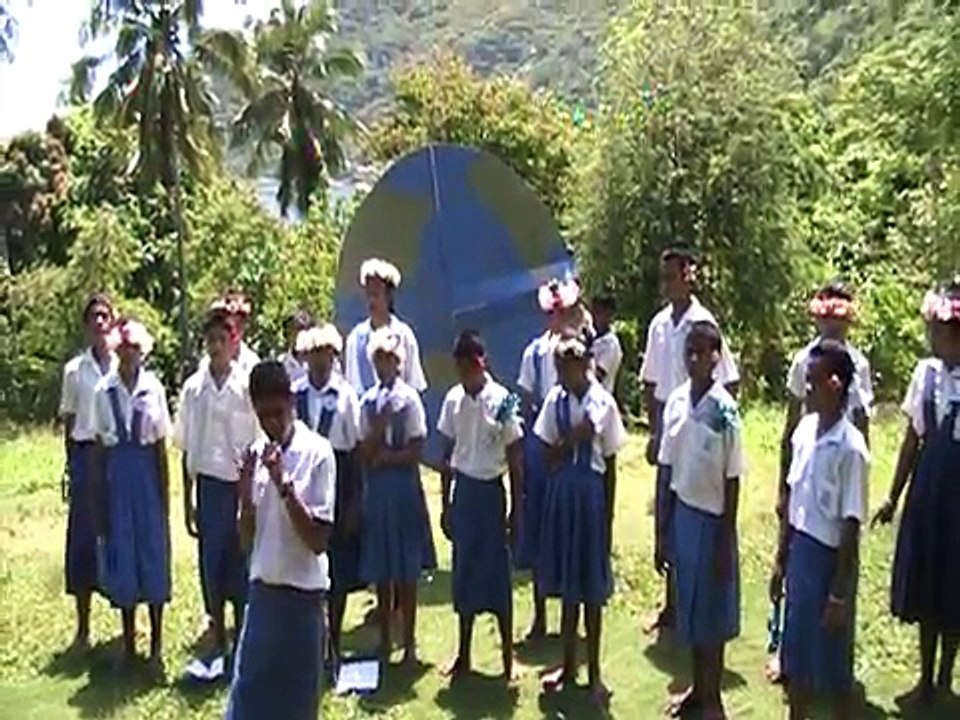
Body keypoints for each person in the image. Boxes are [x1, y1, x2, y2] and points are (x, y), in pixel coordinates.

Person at [769, 280, 872, 683]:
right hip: (805, 466)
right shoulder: (803, 361)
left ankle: (833, 662)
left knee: (839, 570)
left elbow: (861, 422)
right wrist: (783, 485)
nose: (831, 326)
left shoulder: (856, 365)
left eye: (838, 319)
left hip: (838, 472)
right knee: (791, 573)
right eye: (824, 318)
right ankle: (784, 651)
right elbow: (791, 423)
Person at [226, 361, 336, 720]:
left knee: (297, 705)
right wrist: (245, 497)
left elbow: (318, 539)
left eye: (278, 412)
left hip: (303, 599)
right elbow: (246, 542)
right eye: (264, 415)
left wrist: (284, 484)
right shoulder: (255, 455)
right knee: (248, 700)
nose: (272, 423)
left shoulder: (318, 453)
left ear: (291, 402)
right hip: (262, 595)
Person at [640, 246, 739, 633]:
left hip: (699, 426)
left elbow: (729, 380)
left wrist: (713, 427)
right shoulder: (659, 324)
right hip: (671, 423)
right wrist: (654, 429)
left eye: (672, 276)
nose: (667, 285)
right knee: (669, 512)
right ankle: (671, 603)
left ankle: (694, 604)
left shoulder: (703, 323)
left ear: (688, 276)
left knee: (697, 509)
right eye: (662, 278)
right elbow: (649, 382)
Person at [872, 281, 960, 707]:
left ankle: (945, 673)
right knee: (928, 580)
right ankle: (925, 676)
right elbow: (911, 439)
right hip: (930, 487)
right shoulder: (925, 375)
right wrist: (893, 495)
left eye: (937, 331)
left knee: (954, 582)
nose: (931, 337)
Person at [535, 332, 627, 708]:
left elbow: (609, 457)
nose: (561, 375)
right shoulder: (555, 400)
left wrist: (606, 512)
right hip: (563, 493)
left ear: (582, 366)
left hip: (588, 493)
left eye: (566, 368)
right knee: (568, 585)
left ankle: (595, 675)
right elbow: (545, 448)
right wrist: (568, 442)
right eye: (557, 368)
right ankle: (569, 665)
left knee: (589, 586)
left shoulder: (601, 401)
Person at [658, 321, 744, 720]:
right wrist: (662, 529)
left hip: (713, 522)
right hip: (683, 515)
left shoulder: (725, 410)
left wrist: (725, 540)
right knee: (690, 610)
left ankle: (713, 698)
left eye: (703, 352)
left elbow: (732, 478)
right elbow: (666, 467)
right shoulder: (676, 401)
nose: (695, 359)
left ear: (716, 357)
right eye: (689, 351)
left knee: (712, 613)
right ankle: (696, 688)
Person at [174, 310, 259, 681]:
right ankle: (217, 635)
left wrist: (250, 497)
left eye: (222, 340)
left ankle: (243, 638)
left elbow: (257, 442)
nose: (216, 347)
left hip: (239, 483)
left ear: (233, 341)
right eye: (210, 341)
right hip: (208, 485)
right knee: (212, 562)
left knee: (240, 561)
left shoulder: (245, 386)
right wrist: (187, 498)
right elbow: (185, 447)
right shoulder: (194, 388)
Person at [437, 330, 523, 683]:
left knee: (496, 576)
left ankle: (507, 658)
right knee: (465, 574)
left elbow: (516, 458)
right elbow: (446, 454)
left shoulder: (503, 400)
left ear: (481, 362)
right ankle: (464, 654)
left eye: (469, 366)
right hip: (465, 492)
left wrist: (517, 509)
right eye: (459, 368)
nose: (465, 374)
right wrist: (446, 504)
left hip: (490, 492)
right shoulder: (454, 400)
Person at [90, 319, 172, 676]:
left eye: (134, 350)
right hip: (117, 477)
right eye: (122, 350)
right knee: (123, 552)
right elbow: (98, 449)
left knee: (152, 552)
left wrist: (165, 496)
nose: (128, 357)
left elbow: (160, 446)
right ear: (115, 351)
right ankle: (128, 643)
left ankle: (156, 645)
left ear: (142, 352)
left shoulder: (152, 388)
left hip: (145, 477)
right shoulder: (103, 390)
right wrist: (100, 500)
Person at [357, 327, 436, 668]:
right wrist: (378, 429)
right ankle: (386, 640)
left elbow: (416, 447)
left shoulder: (410, 399)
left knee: (406, 566)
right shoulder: (367, 401)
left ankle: (410, 643)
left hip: (402, 485)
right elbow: (364, 451)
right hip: (378, 490)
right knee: (383, 566)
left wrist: (386, 457)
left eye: (388, 360)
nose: (383, 367)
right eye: (378, 361)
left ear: (399, 363)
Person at [515, 277, 582, 641]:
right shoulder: (534, 352)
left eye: (562, 310)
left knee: (569, 525)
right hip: (541, 439)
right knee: (539, 525)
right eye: (551, 311)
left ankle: (573, 612)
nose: (556, 317)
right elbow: (524, 399)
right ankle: (540, 614)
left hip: (573, 440)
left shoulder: (578, 348)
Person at [292, 324, 362, 666]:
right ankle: (308, 640)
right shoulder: (295, 395)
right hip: (302, 478)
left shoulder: (346, 395)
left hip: (338, 474)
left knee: (336, 567)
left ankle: (333, 640)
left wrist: (353, 502)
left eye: (328, 355)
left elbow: (355, 449)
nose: (321, 362)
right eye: (315, 354)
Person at [59, 293, 117, 651]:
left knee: (118, 533)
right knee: (83, 539)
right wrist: (72, 465)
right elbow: (68, 421)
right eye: (93, 316)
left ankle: (127, 621)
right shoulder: (73, 370)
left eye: (105, 316)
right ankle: (83, 627)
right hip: (84, 455)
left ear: (112, 321)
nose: (99, 322)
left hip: (114, 456)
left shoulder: (122, 365)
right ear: (86, 325)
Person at [343, 258, 427, 396]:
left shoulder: (404, 335)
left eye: (376, 294)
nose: (371, 301)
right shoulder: (355, 338)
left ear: (389, 296)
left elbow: (414, 385)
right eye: (368, 294)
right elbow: (352, 386)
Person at [590, 292, 623, 396]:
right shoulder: (591, 338)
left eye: (599, 312)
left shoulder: (610, 344)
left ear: (609, 314)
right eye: (593, 312)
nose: (595, 317)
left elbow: (597, 377)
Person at [279, 309, 314, 386]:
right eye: (294, 329)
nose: (298, 334)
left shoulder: (320, 360)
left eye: (303, 329)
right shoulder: (281, 364)